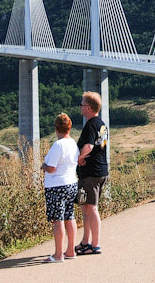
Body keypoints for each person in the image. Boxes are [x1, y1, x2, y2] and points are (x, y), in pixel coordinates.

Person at [41, 113, 79, 262]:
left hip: (57, 186)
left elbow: (51, 168)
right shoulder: (72, 143)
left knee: (58, 220)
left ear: (57, 129)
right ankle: (71, 251)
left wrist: (43, 166)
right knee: (70, 217)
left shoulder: (58, 145)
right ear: (69, 127)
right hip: (71, 183)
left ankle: (58, 254)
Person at [75, 91, 108, 255]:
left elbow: (88, 146)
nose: (80, 106)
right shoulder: (101, 123)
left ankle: (95, 245)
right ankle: (85, 242)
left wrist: (79, 158)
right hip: (99, 171)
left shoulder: (90, 125)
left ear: (88, 107)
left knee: (92, 208)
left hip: (91, 173)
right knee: (86, 207)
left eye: (82, 104)